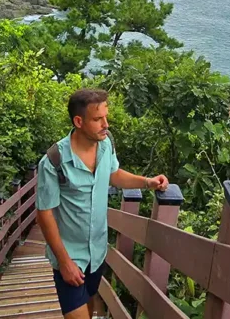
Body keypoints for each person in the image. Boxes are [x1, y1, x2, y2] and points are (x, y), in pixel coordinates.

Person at [36, 88, 169, 319]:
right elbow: (44, 214)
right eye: (98, 119)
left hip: (97, 252)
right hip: (70, 257)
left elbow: (113, 174)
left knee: (89, 301)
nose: (105, 124)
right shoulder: (53, 161)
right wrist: (64, 262)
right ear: (79, 121)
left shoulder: (106, 144)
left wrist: (148, 182)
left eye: (106, 117)